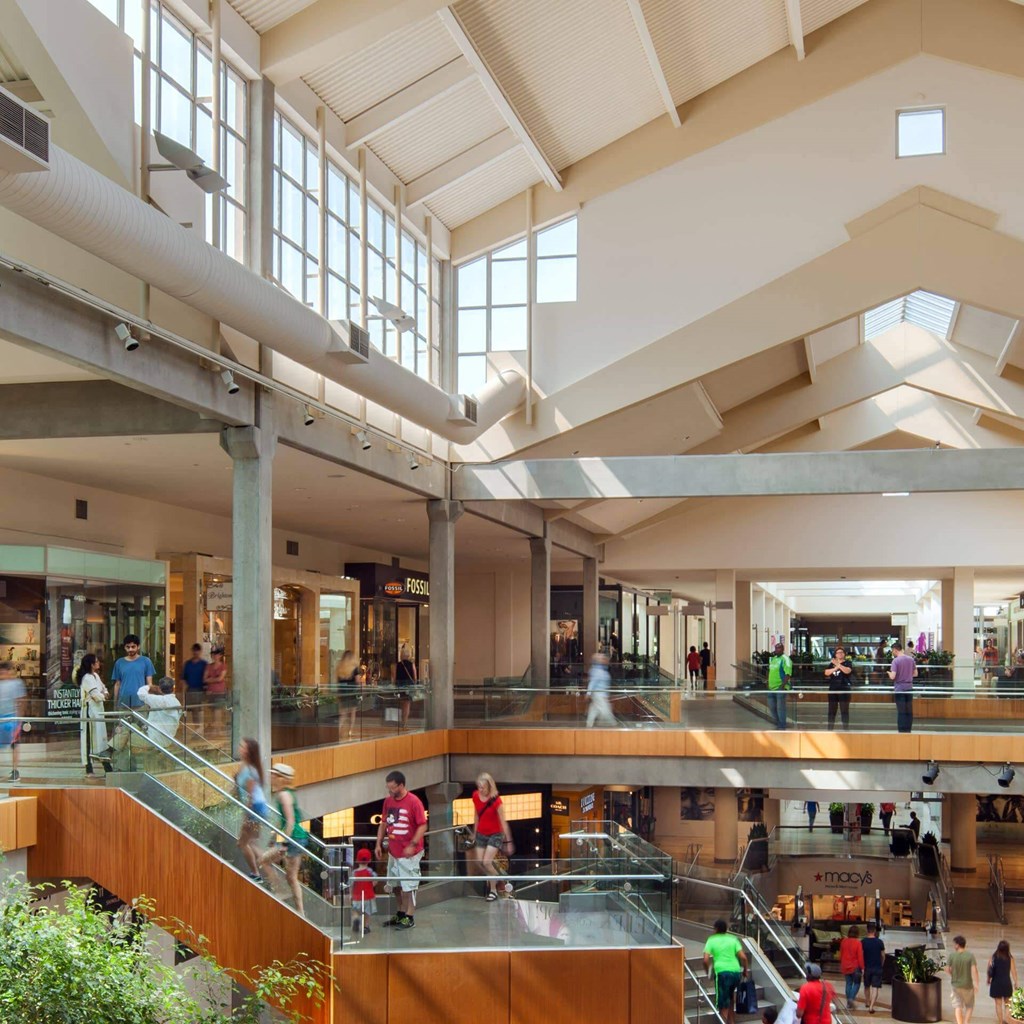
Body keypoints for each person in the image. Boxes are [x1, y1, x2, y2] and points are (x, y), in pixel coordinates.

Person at [375, 769, 427, 930]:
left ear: (401, 785)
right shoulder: (388, 802)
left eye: (392, 788)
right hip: (393, 852)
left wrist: (412, 844)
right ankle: (401, 913)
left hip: (409, 854)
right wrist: (378, 843)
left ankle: (410, 916)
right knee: (395, 885)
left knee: (409, 886)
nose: (390, 791)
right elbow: (384, 823)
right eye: (388, 788)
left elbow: (422, 825)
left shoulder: (414, 802)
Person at [259, 763, 309, 916]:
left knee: (264, 860)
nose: (271, 777)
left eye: (274, 775)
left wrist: (284, 843)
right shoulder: (288, 793)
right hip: (299, 837)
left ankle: (279, 890)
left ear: (280, 778)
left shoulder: (283, 795)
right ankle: (300, 911)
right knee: (292, 877)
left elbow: (290, 821)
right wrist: (275, 837)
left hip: (292, 838)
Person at [469, 772, 513, 901]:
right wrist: (474, 832)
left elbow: (503, 822)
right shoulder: (475, 796)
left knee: (487, 862)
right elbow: (476, 815)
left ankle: (493, 890)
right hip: (481, 833)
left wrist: (508, 842)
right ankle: (498, 878)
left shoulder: (496, 801)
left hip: (496, 834)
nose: (480, 790)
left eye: (483, 787)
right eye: (479, 787)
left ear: (489, 787)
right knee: (480, 862)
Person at [235, 737, 270, 880]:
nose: (240, 748)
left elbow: (250, 797)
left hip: (255, 807)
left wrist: (246, 816)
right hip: (258, 806)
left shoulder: (250, 770)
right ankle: (269, 874)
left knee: (243, 843)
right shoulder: (246, 765)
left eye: (243, 747)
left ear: (249, 751)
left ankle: (257, 874)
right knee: (251, 843)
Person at [703, 918, 749, 1024]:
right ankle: (731, 1022)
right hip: (735, 972)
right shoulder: (733, 939)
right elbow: (744, 958)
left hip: (722, 973)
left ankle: (723, 1021)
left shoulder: (711, 939)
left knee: (723, 1004)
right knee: (730, 998)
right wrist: (745, 970)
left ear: (716, 929)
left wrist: (708, 972)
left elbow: (705, 960)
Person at [77, 653, 109, 763]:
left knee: (100, 739)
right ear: (91, 664)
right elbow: (96, 695)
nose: (98, 663)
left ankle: (105, 764)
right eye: (96, 661)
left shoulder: (96, 676)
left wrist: (103, 693)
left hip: (99, 711)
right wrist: (102, 695)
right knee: (89, 739)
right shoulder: (86, 678)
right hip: (90, 712)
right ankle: (88, 766)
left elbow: (103, 688)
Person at [136, 677, 182, 751]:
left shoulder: (160, 700)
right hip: (168, 739)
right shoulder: (177, 703)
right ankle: (111, 749)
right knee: (133, 726)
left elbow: (141, 693)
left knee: (127, 733)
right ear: (173, 688)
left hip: (154, 739)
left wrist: (150, 686)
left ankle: (112, 751)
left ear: (160, 689)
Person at [111, 635, 155, 710]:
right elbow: (117, 684)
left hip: (141, 701)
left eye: (133, 646)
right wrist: (115, 702)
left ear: (138, 646)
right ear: (124, 647)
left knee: (141, 722)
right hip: (123, 702)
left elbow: (149, 683)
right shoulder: (119, 663)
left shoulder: (146, 661)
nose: (130, 649)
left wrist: (150, 701)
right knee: (123, 722)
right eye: (128, 647)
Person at [0, 661, 26, 782]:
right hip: (1, 718)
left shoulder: (17, 683)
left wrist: (19, 719)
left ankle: (15, 770)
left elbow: (21, 701)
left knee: (14, 745)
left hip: (12, 718)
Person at [946, 935, 980, 1024]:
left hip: (955, 985)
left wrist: (953, 975)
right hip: (967, 985)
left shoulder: (952, 956)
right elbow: (974, 970)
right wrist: (976, 984)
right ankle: (966, 1022)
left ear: (957, 945)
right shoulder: (970, 956)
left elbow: (947, 969)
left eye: (954, 944)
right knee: (969, 1006)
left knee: (958, 1006)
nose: (954, 946)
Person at [887, 641, 917, 733]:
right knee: (909, 710)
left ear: (895, 650)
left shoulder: (895, 661)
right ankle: (908, 730)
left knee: (901, 711)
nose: (892, 652)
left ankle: (902, 731)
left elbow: (893, 676)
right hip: (909, 688)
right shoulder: (911, 659)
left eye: (893, 651)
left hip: (899, 688)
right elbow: (915, 674)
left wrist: (888, 673)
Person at [335, 650, 365, 739]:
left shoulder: (340, 668)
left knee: (343, 714)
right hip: (352, 693)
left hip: (342, 693)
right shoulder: (355, 669)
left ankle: (339, 729)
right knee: (352, 712)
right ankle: (350, 731)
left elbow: (338, 682)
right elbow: (357, 681)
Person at [988, 939, 1018, 1024]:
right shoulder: (1010, 958)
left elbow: (990, 969)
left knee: (998, 1004)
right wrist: (1016, 982)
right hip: (1006, 983)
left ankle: (1001, 1022)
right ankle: (1007, 1020)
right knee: (1007, 1003)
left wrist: (989, 979)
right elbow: (1013, 971)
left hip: (996, 983)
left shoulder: (993, 957)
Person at [824, 647, 854, 730]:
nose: (840, 654)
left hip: (844, 688)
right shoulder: (832, 664)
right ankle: (830, 728)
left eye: (841, 652)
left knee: (844, 710)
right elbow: (826, 672)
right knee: (831, 710)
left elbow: (847, 671)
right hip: (833, 689)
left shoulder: (848, 662)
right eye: (838, 653)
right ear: (835, 655)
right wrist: (836, 667)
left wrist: (838, 665)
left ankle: (845, 728)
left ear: (844, 654)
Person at [586, 650, 617, 727]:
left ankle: (589, 724)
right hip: (599, 694)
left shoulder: (601, 670)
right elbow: (593, 682)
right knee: (605, 709)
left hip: (600, 693)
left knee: (594, 708)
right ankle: (614, 724)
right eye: (603, 659)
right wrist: (588, 693)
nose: (606, 660)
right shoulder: (598, 671)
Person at [351, 847, 377, 937]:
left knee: (355, 910)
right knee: (367, 913)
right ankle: (366, 926)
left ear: (356, 860)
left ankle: (356, 918)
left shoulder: (354, 873)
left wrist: (351, 894)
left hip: (357, 897)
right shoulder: (370, 872)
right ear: (369, 860)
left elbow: (351, 884)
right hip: (368, 897)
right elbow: (374, 882)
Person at [767, 641, 792, 730]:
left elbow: (788, 673)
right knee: (772, 707)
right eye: (776, 648)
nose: (777, 650)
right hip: (771, 688)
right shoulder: (773, 659)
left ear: (782, 649)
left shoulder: (785, 659)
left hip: (780, 688)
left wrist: (782, 686)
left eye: (779, 648)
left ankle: (782, 725)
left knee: (780, 707)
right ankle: (778, 722)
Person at [861, 922, 886, 1013]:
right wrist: (881, 964)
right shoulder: (879, 942)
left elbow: (861, 955)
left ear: (867, 930)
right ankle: (871, 1007)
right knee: (875, 987)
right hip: (877, 967)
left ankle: (867, 1002)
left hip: (867, 967)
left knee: (866, 986)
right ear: (875, 931)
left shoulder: (863, 942)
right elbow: (883, 955)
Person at [179, 643, 207, 723]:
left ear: (200, 652)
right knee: (190, 710)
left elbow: (206, 678)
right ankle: (193, 728)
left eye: (197, 651)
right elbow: (183, 678)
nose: (196, 653)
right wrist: (183, 691)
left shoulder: (204, 664)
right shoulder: (188, 664)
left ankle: (198, 728)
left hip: (200, 690)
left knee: (197, 710)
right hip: (190, 689)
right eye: (194, 651)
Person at [204, 646, 228, 737]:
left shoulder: (223, 666)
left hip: (220, 691)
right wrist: (215, 679)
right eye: (213, 654)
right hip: (211, 692)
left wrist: (211, 679)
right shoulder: (208, 666)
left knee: (218, 710)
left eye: (216, 654)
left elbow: (220, 678)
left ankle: (218, 729)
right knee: (213, 710)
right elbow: (205, 679)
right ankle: (215, 729)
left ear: (220, 655)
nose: (214, 656)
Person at [839, 924, 865, 1009]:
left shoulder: (844, 941)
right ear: (857, 933)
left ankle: (848, 1002)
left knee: (848, 983)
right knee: (857, 984)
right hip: (855, 967)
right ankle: (851, 999)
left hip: (845, 966)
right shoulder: (858, 943)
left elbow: (841, 954)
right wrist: (862, 967)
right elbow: (860, 956)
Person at [393, 644, 416, 728]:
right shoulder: (411, 664)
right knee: (407, 705)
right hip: (408, 687)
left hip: (400, 687)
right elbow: (415, 677)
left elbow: (394, 677)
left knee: (401, 704)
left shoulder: (397, 665)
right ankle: (404, 722)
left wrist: (394, 686)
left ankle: (401, 720)